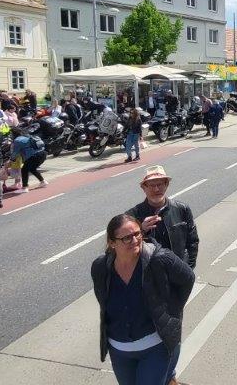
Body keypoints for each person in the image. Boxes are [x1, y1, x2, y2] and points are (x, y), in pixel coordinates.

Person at [91, 214, 195, 385]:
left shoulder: (160, 258)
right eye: (126, 238)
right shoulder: (100, 267)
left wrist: (172, 311)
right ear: (112, 243)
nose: (135, 240)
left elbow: (187, 279)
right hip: (120, 351)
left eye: (137, 234)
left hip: (156, 347)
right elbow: (103, 299)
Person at [126, 165, 199, 385]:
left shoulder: (181, 209)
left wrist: (186, 272)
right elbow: (121, 251)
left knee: (173, 330)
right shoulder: (132, 216)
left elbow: (192, 242)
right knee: (150, 332)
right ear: (144, 187)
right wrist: (141, 230)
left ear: (167, 185)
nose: (156, 188)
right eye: (151, 185)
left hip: (175, 285)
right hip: (146, 285)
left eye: (160, 183)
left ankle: (169, 376)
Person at [11, 128, 47, 192]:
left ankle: (24, 188)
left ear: (13, 134)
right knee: (32, 169)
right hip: (43, 153)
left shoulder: (17, 140)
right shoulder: (27, 136)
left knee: (24, 170)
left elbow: (15, 152)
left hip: (34, 156)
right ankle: (43, 182)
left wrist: (11, 160)